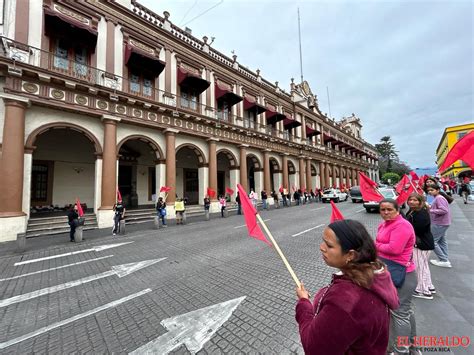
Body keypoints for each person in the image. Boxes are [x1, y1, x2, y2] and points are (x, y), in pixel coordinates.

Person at [295, 220, 399, 354]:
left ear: (351, 255)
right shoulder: (374, 272)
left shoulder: (346, 301)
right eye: (323, 241)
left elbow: (313, 348)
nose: (322, 247)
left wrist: (304, 304)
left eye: (329, 245)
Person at [376, 199, 417, 355]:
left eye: (389, 210)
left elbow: (394, 249)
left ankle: (401, 350)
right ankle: (412, 346)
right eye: (383, 210)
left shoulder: (402, 225)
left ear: (397, 210)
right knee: (405, 311)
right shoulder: (385, 224)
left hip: (403, 275)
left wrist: (375, 246)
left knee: (399, 313)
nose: (385, 212)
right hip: (392, 271)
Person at [405, 193, 435, 299]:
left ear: (420, 202)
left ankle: (422, 290)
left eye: (415, 200)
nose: (412, 202)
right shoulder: (413, 211)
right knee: (424, 266)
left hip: (422, 244)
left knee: (419, 267)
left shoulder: (421, 213)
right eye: (410, 200)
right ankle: (429, 286)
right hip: (423, 243)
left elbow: (417, 229)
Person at [427, 185, 452, 268]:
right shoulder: (438, 197)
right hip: (443, 222)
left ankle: (443, 260)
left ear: (437, 190)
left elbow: (444, 210)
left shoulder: (439, 198)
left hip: (440, 223)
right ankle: (445, 258)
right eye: (429, 190)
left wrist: (430, 209)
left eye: (432, 190)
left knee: (432, 241)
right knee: (441, 241)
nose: (430, 191)